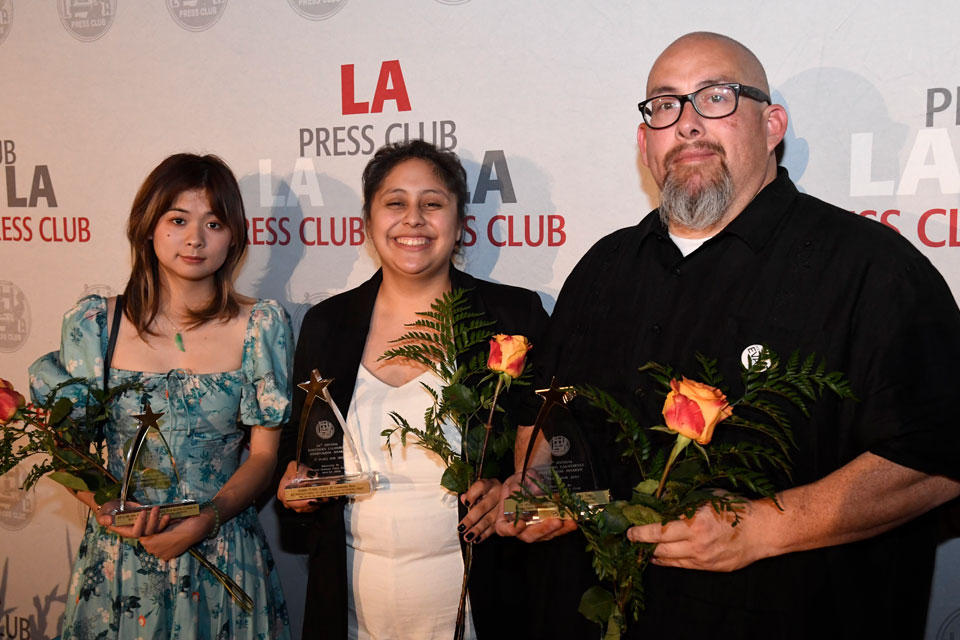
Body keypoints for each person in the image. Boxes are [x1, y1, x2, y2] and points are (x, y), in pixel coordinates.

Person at [497, 32, 960, 639]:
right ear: (644, 141)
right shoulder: (601, 269)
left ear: (772, 126)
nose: (687, 123)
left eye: (715, 97)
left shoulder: (872, 270)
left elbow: (937, 456)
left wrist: (767, 527)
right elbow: (545, 421)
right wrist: (538, 487)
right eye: (665, 105)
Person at [276, 139, 548, 639]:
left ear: (460, 221)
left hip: (477, 604)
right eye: (395, 202)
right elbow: (298, 448)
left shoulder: (512, 316)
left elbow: (544, 442)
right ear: (368, 221)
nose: (414, 219)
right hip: (353, 607)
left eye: (433, 203)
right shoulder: (325, 324)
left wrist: (521, 488)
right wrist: (296, 486)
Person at [29, 154, 293, 639]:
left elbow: (263, 457)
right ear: (148, 227)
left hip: (224, 548)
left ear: (234, 236)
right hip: (121, 557)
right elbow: (66, 449)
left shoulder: (261, 325)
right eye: (177, 220)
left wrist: (207, 519)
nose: (195, 239)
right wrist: (105, 507)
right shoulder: (95, 324)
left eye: (214, 223)